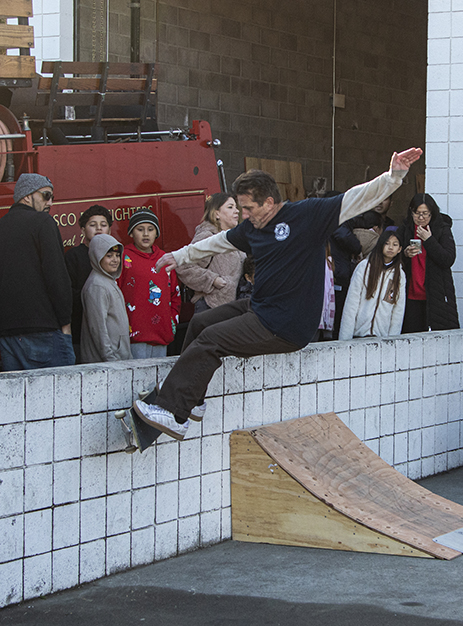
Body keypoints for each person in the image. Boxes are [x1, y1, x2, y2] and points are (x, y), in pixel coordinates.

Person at [133, 147, 423, 441]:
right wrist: (180, 256)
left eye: (249, 209)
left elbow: (356, 198)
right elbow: (219, 242)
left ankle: (174, 413)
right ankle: (192, 398)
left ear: (269, 202)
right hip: (262, 308)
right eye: (240, 209)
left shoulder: (308, 215)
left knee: (211, 340)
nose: (244, 216)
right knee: (200, 324)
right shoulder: (252, 228)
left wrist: (393, 176)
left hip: (287, 324)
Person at [0, 173, 74, 371]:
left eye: (52, 197)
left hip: (7, 334)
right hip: (44, 329)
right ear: (27, 196)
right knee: (58, 389)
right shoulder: (43, 222)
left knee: (19, 391)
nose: (50, 203)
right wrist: (65, 322)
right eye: (46, 196)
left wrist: (5, 320)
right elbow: (57, 277)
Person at [119, 210, 181, 358]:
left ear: (156, 233)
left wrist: (171, 323)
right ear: (131, 233)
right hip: (133, 335)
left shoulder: (164, 259)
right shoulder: (123, 257)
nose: (146, 234)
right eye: (140, 229)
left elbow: (175, 293)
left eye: (151, 229)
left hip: (161, 333)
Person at [175, 193, 245, 313]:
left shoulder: (234, 237)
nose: (237, 211)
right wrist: (213, 280)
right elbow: (184, 266)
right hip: (211, 306)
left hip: (232, 307)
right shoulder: (207, 236)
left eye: (236, 207)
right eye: (230, 207)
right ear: (216, 213)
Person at [399, 193, 459, 333]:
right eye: (417, 213)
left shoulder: (442, 228)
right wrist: (405, 254)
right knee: (411, 336)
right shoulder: (405, 228)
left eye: (425, 213)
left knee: (439, 335)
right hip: (411, 293)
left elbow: (448, 259)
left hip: (436, 293)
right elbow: (392, 254)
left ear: (432, 213)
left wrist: (429, 240)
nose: (421, 218)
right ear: (411, 212)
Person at [338, 227, 406, 341]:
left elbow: (398, 310)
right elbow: (351, 304)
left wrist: (392, 340)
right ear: (380, 245)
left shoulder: (399, 275)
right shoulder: (364, 267)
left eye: (395, 245)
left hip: (382, 337)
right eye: (387, 243)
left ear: (399, 249)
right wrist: (345, 339)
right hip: (358, 334)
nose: (390, 247)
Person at [66, 205, 112, 359]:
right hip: (80, 330)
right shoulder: (73, 256)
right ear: (82, 230)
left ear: (109, 230)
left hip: (111, 331)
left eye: (103, 225)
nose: (98, 228)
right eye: (93, 225)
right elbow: (68, 292)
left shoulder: (115, 256)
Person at [80, 234, 132, 363]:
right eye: (109, 256)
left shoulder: (108, 281)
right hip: (107, 362)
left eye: (117, 255)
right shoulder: (97, 286)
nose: (115, 260)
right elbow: (98, 328)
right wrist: (109, 358)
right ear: (97, 257)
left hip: (117, 359)